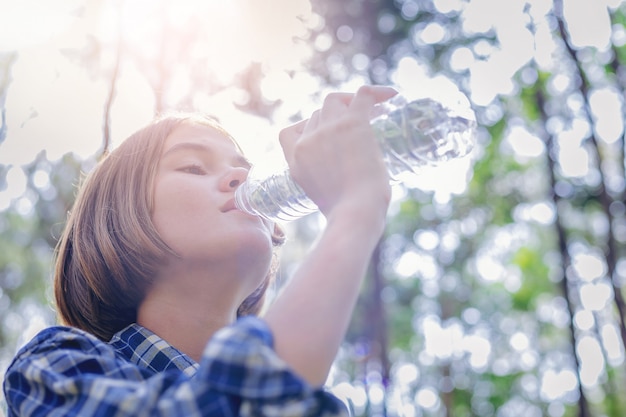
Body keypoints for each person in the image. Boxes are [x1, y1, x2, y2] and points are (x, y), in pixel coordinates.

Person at [2, 85, 397, 416]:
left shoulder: (326, 403)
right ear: (118, 215)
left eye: (244, 169)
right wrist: (354, 215)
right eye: (193, 167)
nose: (241, 177)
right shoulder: (54, 369)